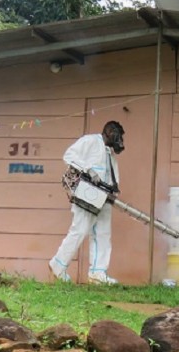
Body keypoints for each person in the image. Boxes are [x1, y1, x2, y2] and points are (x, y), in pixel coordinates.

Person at [49, 121, 125, 284]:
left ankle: (98, 273)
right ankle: (58, 265)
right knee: (80, 230)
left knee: (103, 234)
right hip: (87, 196)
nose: (119, 140)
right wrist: (88, 169)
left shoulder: (110, 153)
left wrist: (114, 191)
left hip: (105, 197)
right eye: (118, 135)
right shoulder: (90, 141)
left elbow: (113, 176)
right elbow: (69, 155)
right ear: (109, 131)